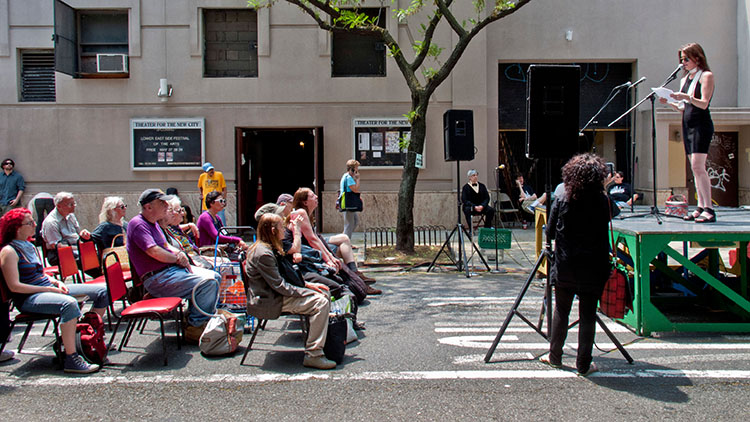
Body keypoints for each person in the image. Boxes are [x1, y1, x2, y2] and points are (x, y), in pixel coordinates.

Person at [0, 208, 108, 373]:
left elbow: (40, 273)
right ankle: (71, 358)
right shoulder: (9, 251)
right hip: (29, 298)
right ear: (17, 228)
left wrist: (56, 282)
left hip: (46, 289)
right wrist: (48, 288)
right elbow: (14, 286)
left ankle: (87, 336)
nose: (35, 225)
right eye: (30, 222)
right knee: (69, 304)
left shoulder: (29, 245)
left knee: (102, 291)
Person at [540, 153, 614, 376]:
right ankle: (583, 364)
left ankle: (555, 356)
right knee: (588, 314)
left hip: (566, 263)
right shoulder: (602, 200)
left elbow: (550, 230)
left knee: (562, 310)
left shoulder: (562, 196)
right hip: (594, 265)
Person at [245, 213, 336, 369]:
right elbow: (280, 286)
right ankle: (314, 354)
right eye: (282, 227)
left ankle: (321, 341)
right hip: (270, 299)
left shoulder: (271, 247)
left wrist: (308, 285)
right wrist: (306, 292)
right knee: (320, 302)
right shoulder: (263, 254)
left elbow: (287, 277)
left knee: (323, 292)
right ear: (273, 230)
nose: (285, 230)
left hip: (275, 294)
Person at [126, 189, 220, 329]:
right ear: (148, 207)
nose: (166, 205)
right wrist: (177, 259)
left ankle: (197, 318)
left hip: (168, 272)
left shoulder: (154, 223)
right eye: (162, 203)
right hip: (158, 278)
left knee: (214, 276)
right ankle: (196, 325)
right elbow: (154, 251)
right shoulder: (138, 224)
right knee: (209, 282)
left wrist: (180, 254)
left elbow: (166, 245)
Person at [660, 43, 716, 223]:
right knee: (694, 168)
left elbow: (703, 103)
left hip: (701, 124)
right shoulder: (685, 79)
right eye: (681, 59)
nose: (683, 63)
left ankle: (709, 208)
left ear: (697, 58)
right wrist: (669, 101)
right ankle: (700, 206)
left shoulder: (706, 76)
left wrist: (685, 97)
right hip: (687, 124)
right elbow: (683, 108)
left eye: (686, 59)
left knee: (699, 167)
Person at [289, 188, 380, 291]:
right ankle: (356, 279)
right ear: (305, 202)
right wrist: (329, 259)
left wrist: (330, 257)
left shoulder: (308, 214)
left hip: (311, 249)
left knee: (344, 240)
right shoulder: (301, 213)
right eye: (312, 196)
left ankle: (356, 278)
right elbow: (312, 240)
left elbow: (316, 239)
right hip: (309, 253)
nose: (316, 197)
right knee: (343, 247)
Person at [40, 192, 93, 268]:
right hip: (59, 253)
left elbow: (78, 233)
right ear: (59, 206)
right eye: (70, 204)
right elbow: (56, 245)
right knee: (87, 259)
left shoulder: (70, 215)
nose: (74, 206)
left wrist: (84, 234)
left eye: (74, 203)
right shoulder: (51, 222)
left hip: (74, 247)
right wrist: (79, 248)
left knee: (94, 253)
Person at [339, 159, 362, 238]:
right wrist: (358, 179)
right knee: (349, 224)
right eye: (356, 167)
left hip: (347, 202)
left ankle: (343, 239)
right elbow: (355, 189)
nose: (357, 169)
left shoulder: (345, 176)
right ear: (352, 168)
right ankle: (345, 242)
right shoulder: (348, 178)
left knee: (354, 221)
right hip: (349, 202)